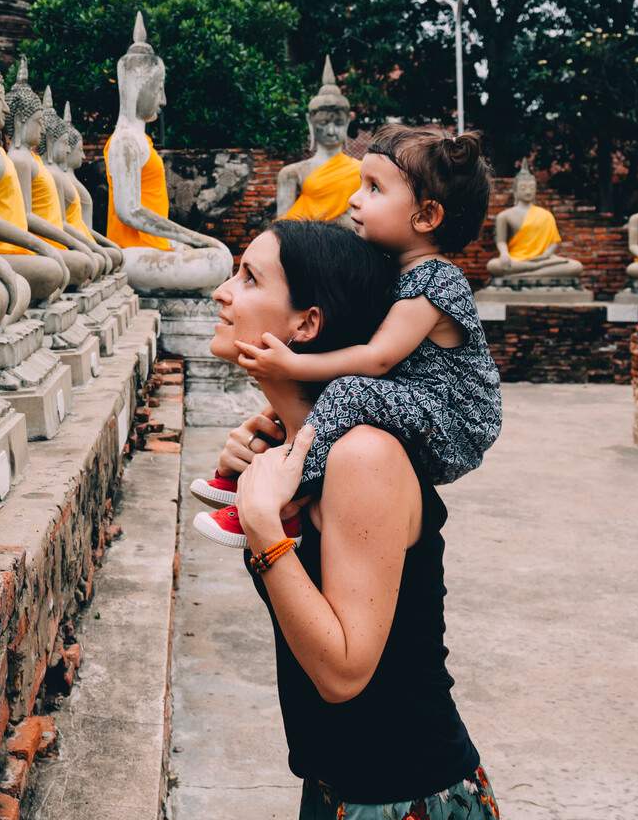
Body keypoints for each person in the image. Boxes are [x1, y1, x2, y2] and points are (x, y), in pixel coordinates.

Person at [203, 220, 507, 820]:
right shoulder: (303, 452)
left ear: (307, 324)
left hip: (403, 807)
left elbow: (343, 671)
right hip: (341, 790)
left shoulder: (365, 453)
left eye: (249, 277)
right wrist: (272, 502)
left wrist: (262, 526)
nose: (224, 293)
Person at [192, 126, 501, 540]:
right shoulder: (392, 271)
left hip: (452, 419)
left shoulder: (436, 280)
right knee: (316, 405)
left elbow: (378, 358)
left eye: (374, 188)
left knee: (347, 392)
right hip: (415, 403)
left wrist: (294, 363)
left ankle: (287, 499)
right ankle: (252, 471)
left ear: (427, 216)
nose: (355, 198)